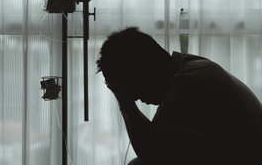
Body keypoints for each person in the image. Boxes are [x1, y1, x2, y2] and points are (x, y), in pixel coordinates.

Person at [96, 27, 262, 164]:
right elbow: (156, 142)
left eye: (130, 88)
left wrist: (124, 101)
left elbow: (151, 154)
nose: (134, 97)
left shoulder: (189, 84)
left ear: (144, 70)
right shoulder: (188, 70)